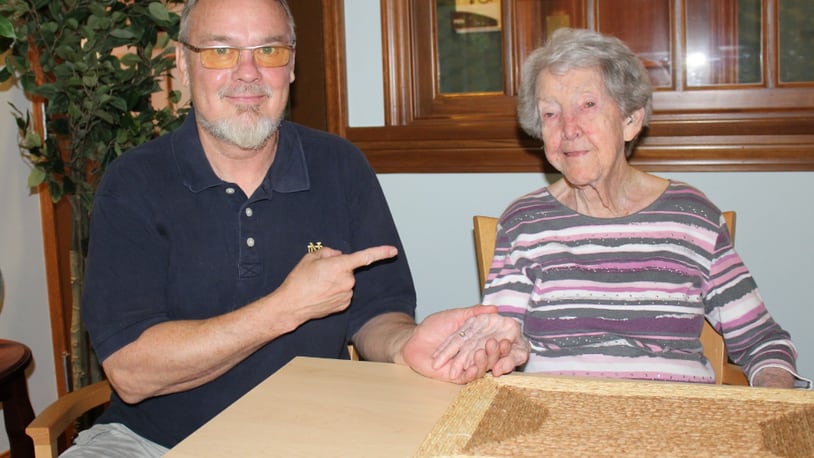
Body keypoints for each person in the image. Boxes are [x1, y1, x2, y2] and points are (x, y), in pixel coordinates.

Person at [66, 0, 526, 455]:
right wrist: (286, 308)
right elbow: (131, 371)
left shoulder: (340, 165)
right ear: (183, 67)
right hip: (151, 444)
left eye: (268, 50)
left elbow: (376, 313)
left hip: (312, 436)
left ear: (290, 68)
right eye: (221, 52)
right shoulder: (132, 182)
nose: (248, 73)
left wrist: (407, 344)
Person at [434, 28, 810, 390]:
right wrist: (499, 350)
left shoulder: (691, 217)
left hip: (676, 424)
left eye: (588, 105)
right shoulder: (525, 223)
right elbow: (502, 334)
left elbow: (762, 341)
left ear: (630, 120)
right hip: (556, 422)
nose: (568, 129)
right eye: (551, 113)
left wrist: (772, 403)